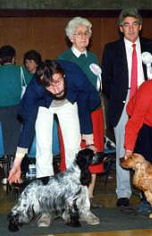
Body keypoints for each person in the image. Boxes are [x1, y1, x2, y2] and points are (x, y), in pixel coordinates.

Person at [101, 8, 152, 208]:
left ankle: (147, 192)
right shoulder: (111, 48)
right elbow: (106, 80)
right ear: (121, 28)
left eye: (135, 24)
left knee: (146, 147)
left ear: (140, 27)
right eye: (126, 24)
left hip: (147, 100)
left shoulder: (151, 46)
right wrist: (120, 96)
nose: (131, 28)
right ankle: (123, 193)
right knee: (123, 147)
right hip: (123, 101)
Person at [58, 17, 104, 208]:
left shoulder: (93, 58)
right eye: (79, 34)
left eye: (87, 33)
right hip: (71, 111)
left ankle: (89, 196)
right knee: (71, 151)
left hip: (93, 111)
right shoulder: (63, 59)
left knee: (93, 150)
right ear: (71, 38)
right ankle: (71, 196)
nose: (84, 37)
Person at [0, 45, 21, 179]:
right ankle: (15, 167)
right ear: (14, 59)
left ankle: (5, 164)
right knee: (16, 138)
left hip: (1, 110)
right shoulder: (21, 71)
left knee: (4, 138)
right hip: (17, 109)